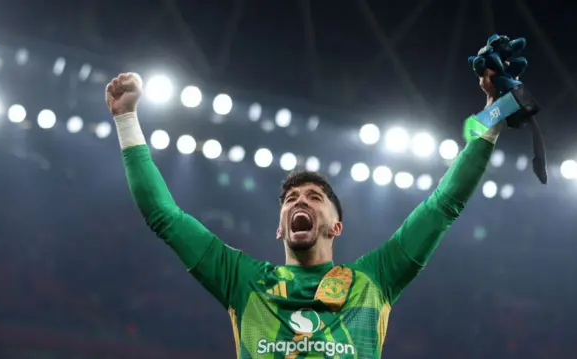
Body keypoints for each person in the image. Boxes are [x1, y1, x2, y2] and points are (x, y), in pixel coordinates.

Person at [105, 71, 500, 358]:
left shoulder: (373, 280)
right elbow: (163, 215)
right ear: (279, 229)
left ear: (336, 226)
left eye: (314, 197)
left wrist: (493, 114)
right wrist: (126, 119)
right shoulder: (242, 280)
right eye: (290, 198)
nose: (299, 201)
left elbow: (444, 203)